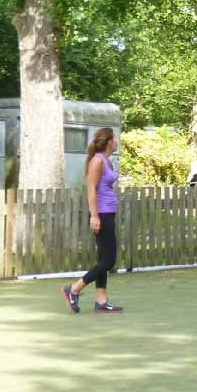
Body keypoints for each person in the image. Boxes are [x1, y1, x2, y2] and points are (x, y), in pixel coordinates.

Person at [61, 127, 124, 314]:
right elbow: (90, 190)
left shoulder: (107, 162)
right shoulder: (97, 161)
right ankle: (73, 289)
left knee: (103, 258)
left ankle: (101, 302)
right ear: (109, 142)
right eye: (115, 139)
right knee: (109, 260)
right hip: (101, 215)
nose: (117, 141)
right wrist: (94, 216)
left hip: (108, 213)